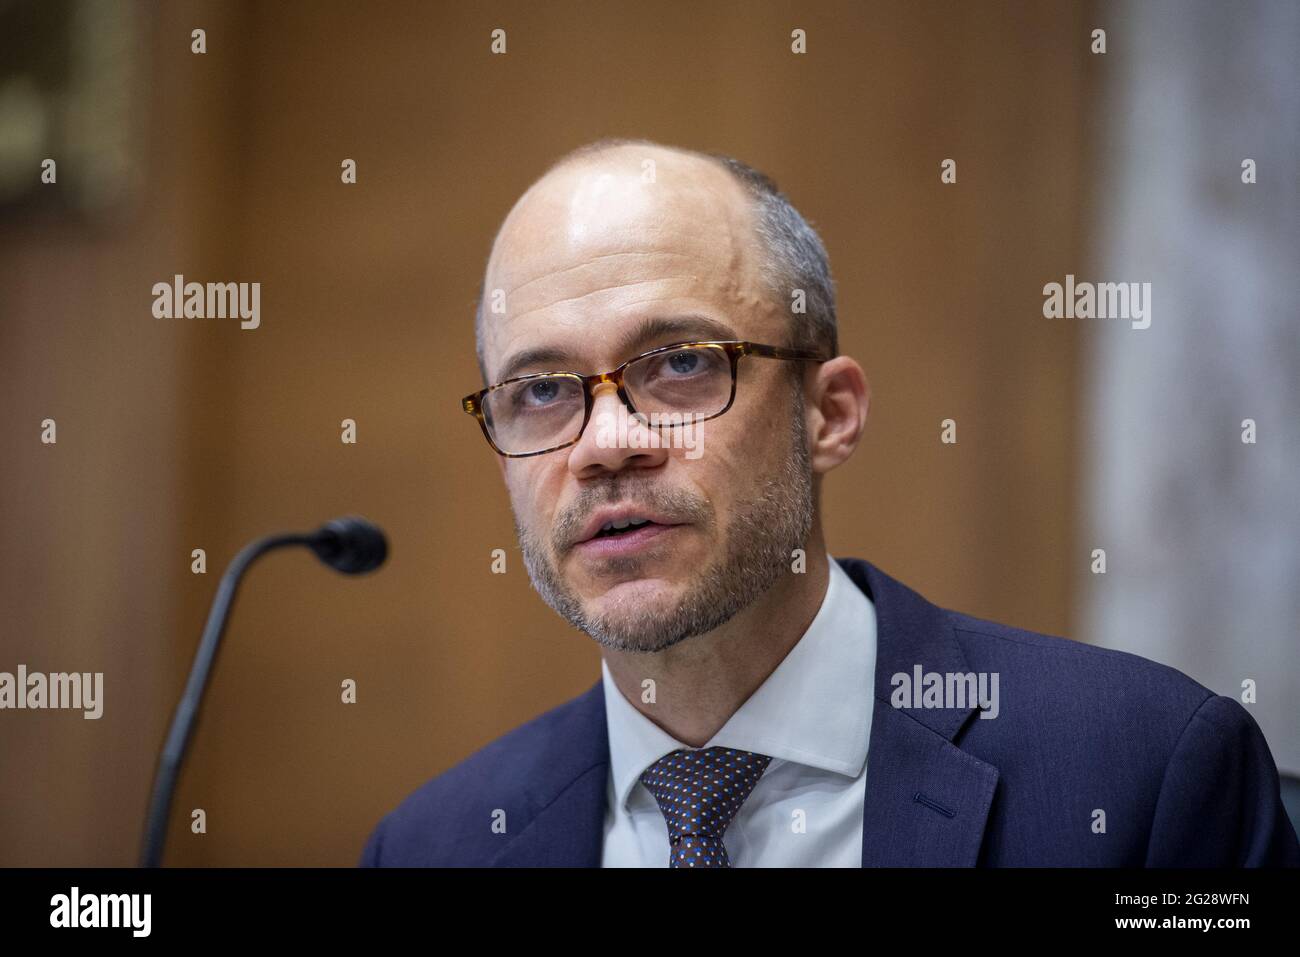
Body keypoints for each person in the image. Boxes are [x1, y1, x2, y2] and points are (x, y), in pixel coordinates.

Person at [360, 137, 1299, 867]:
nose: (607, 444)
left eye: (683, 363)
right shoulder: (433, 845)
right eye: (542, 389)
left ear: (829, 413)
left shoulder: (1142, 773)